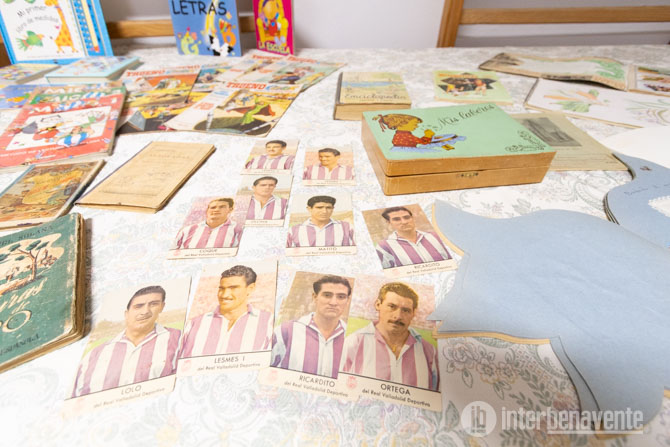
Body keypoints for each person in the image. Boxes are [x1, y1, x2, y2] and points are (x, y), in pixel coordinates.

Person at [71, 286, 181, 397]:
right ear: (126, 314)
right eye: (138, 306)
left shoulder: (178, 339)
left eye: (153, 304)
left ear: (162, 307)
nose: (145, 311)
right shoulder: (94, 355)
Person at [340, 282, 439, 390]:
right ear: (378, 305)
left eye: (406, 310)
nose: (398, 316)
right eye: (392, 306)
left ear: (413, 313)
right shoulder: (354, 342)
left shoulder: (429, 351)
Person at [179, 265, 272, 357]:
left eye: (233, 288)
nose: (224, 295)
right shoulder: (194, 324)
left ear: (250, 288)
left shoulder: (268, 322)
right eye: (222, 289)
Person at [271, 275, 351, 378]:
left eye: (341, 297)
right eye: (327, 295)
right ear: (315, 297)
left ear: (347, 301)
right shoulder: (285, 331)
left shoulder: (353, 339)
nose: (333, 302)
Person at [375, 206, 452, 268]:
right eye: (397, 219)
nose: (404, 222)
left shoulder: (436, 236)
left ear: (412, 218)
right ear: (389, 222)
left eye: (407, 217)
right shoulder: (384, 246)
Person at [286, 195, 355, 248]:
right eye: (319, 207)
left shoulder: (348, 227)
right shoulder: (293, 231)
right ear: (309, 209)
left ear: (333, 209)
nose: (324, 211)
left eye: (328, 207)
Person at [174, 198, 242, 250]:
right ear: (207, 210)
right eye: (213, 207)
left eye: (222, 207)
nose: (216, 210)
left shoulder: (238, 229)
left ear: (230, 209)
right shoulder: (187, 230)